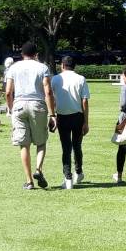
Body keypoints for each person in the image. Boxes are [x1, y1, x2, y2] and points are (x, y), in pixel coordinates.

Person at [5, 40, 57, 190]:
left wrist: (11, 109)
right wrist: (52, 114)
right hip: (37, 105)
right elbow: (48, 91)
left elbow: (8, 92)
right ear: (36, 54)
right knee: (41, 142)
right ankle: (38, 169)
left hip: (19, 105)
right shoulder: (42, 67)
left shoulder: (14, 67)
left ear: (22, 54)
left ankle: (29, 181)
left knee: (24, 144)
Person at [50, 54, 90, 190]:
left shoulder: (55, 79)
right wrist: (86, 122)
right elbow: (84, 101)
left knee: (66, 148)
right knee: (77, 146)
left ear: (62, 65)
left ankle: (68, 178)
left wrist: (52, 115)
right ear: (74, 66)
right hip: (78, 116)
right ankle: (78, 172)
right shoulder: (81, 79)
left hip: (62, 116)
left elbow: (51, 98)